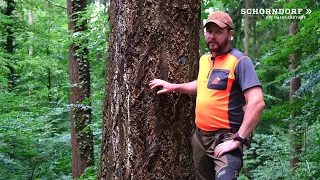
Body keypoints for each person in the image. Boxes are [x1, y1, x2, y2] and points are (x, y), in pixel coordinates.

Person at [149, 11, 265, 180]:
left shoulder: (239, 61)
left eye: (218, 32)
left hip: (225, 138)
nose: (212, 36)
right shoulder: (205, 59)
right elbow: (202, 86)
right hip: (200, 138)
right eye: (209, 31)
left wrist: (238, 139)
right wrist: (174, 86)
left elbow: (257, 102)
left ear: (230, 34)